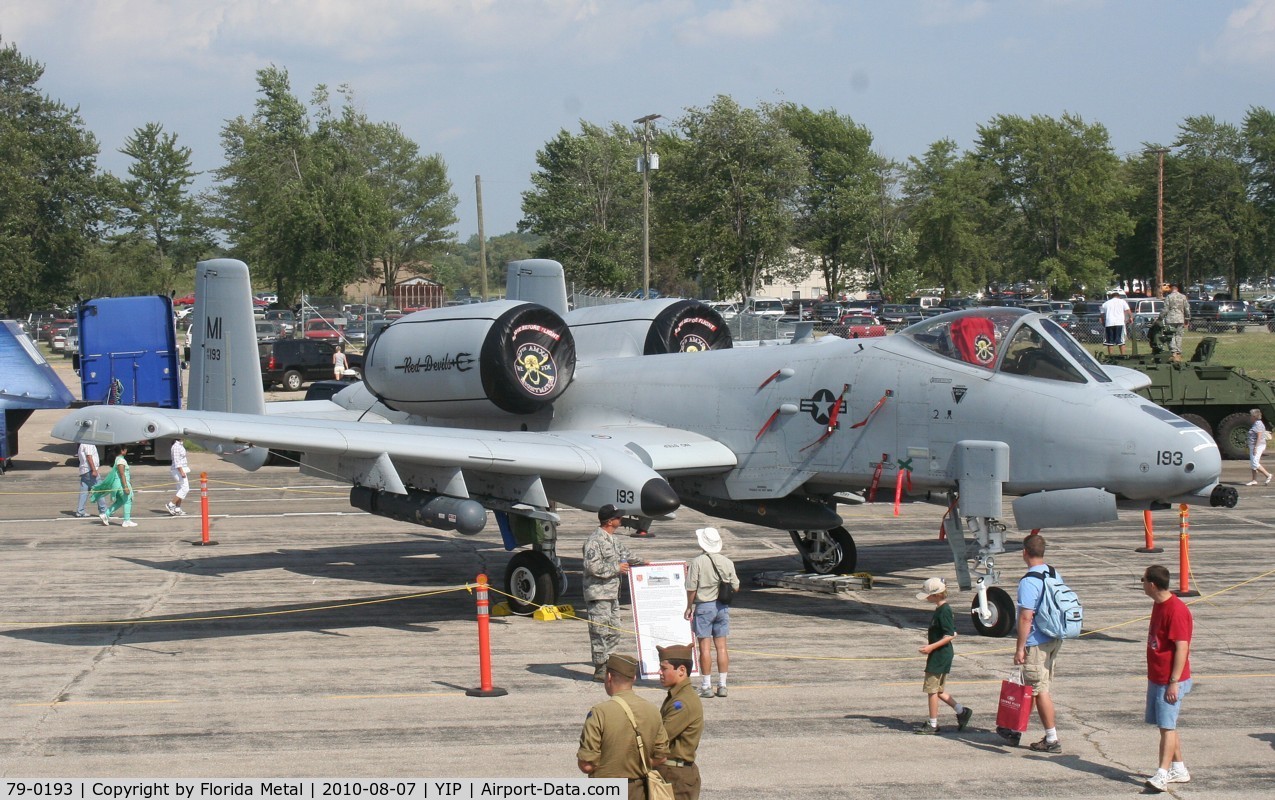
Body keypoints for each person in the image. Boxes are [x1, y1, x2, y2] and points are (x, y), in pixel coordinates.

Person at [998, 532, 1062, 752]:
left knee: (1039, 689)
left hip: (1036, 641)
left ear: (1025, 552)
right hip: (1053, 637)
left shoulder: (1028, 581)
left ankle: (1052, 738)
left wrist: (1019, 648)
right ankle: (1015, 729)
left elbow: (1026, 617)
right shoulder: (1053, 573)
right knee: (1032, 687)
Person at [576, 653, 669, 800]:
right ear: (633, 678)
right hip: (639, 790)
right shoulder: (652, 710)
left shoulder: (600, 712)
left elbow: (586, 765)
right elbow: (661, 757)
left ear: (609, 678)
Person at [1142, 564, 1193, 792]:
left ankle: (1162, 774)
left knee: (1167, 727)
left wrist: (1173, 682)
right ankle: (1179, 768)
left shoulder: (1176, 610)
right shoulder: (1158, 604)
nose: (1141, 583)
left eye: (1143, 580)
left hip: (1170, 680)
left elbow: (1182, 648)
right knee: (1167, 726)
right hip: (1157, 676)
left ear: (1152, 584)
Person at [583, 504, 643, 681]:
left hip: (612, 594)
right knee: (599, 631)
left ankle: (610, 662)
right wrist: (616, 568)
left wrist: (645, 563)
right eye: (618, 518)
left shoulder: (613, 540)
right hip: (599, 594)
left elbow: (628, 555)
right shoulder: (594, 541)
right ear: (610, 521)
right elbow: (591, 567)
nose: (621, 520)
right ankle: (600, 667)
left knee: (615, 631)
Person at [684, 526, 739, 699]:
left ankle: (706, 686)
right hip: (722, 607)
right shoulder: (727, 562)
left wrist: (689, 606)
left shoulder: (697, 562)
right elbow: (736, 586)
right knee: (721, 647)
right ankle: (722, 685)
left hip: (704, 606)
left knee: (705, 648)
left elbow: (691, 588)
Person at [913, 577, 972, 734]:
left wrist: (931, 647)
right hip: (941, 654)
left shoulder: (944, 611)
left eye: (928, 595)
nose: (926, 598)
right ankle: (961, 711)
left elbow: (950, 634)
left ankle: (933, 724)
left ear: (936, 595)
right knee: (938, 690)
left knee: (931, 690)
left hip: (939, 654)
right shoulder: (941, 609)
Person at [655, 643, 703, 800]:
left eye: (664, 668)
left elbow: (659, 737)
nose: (659, 672)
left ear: (682, 670)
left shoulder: (682, 702)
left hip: (676, 778)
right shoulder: (677, 696)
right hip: (672, 773)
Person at [92, 444, 136, 528]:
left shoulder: (118, 459)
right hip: (121, 484)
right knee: (128, 500)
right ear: (122, 451)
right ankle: (126, 520)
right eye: (125, 449)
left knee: (120, 501)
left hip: (119, 484)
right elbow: (122, 474)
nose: (126, 450)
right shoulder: (121, 461)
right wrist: (125, 486)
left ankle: (106, 514)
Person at [75, 442, 107, 518]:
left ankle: (80, 511)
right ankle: (104, 511)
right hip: (89, 471)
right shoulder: (88, 443)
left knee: (84, 492)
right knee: (99, 490)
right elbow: (89, 457)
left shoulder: (82, 443)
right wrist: (94, 470)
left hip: (84, 471)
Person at [1159, 283, 1189, 362]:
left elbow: (1165, 309)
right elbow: (1187, 308)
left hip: (1171, 319)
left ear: (1171, 288)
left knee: (1170, 336)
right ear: (1177, 289)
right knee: (1179, 336)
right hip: (1180, 319)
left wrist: (1160, 317)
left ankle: (1173, 353)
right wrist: (1187, 318)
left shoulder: (1169, 297)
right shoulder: (1183, 297)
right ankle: (1178, 353)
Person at [1100, 290, 1132, 355]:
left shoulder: (1105, 303)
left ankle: (1111, 355)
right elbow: (1128, 310)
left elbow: (1102, 315)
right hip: (1119, 322)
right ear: (1118, 296)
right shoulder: (1122, 301)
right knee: (1121, 340)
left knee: (1109, 341)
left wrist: (1103, 321)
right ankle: (1123, 355)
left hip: (1109, 323)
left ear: (1111, 297)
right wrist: (1131, 317)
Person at [1245, 408, 1271, 486]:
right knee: (1253, 463)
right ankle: (1254, 480)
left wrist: (1256, 447)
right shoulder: (1255, 423)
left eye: (1251, 415)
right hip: (1253, 445)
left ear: (1254, 416)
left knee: (1255, 463)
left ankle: (1268, 475)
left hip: (1258, 446)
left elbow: (1259, 437)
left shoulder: (1258, 424)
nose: (1250, 417)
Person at [166, 438, 190, 516]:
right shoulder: (176, 446)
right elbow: (176, 461)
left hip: (182, 469)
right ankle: (171, 505)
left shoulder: (180, 445)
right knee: (185, 488)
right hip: (178, 470)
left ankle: (177, 508)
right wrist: (181, 471)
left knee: (180, 489)